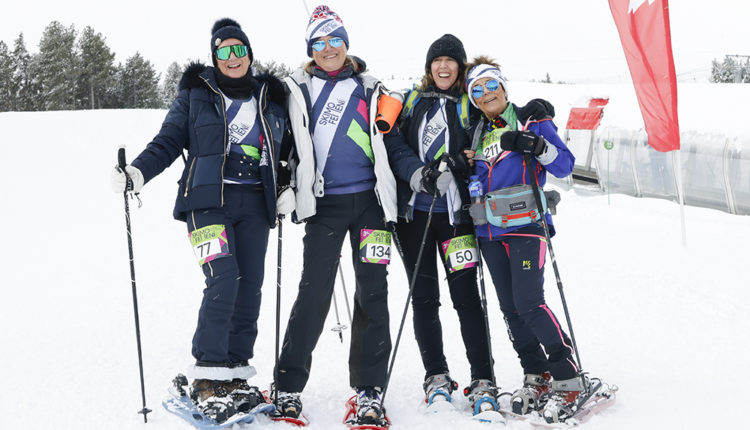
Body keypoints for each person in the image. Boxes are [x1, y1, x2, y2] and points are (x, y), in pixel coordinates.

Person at [110, 18, 293, 423]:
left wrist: (286, 184)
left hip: (255, 204)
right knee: (223, 277)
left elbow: (285, 152)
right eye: (224, 51)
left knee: (250, 286)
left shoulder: (269, 97)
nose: (233, 57)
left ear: (249, 54)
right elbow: (168, 141)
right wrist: (137, 172)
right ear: (214, 56)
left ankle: (236, 373)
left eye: (239, 49)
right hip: (207, 201)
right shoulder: (196, 95)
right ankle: (208, 376)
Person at [272, 5, 429, 427]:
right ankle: (287, 386)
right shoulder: (295, 89)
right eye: (320, 42)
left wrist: (417, 174)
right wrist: (284, 183)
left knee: (373, 292)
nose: (329, 49)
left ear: (346, 43)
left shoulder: (370, 88)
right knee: (313, 293)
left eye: (336, 40)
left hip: (371, 205)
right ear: (311, 48)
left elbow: (392, 143)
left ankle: (368, 390)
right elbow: (283, 142)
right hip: (324, 206)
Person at [395, 35, 556, 413]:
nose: (443, 66)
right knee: (423, 299)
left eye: (451, 60)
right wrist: (420, 173)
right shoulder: (412, 102)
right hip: (415, 217)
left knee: (467, 298)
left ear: (460, 66)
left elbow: (501, 116)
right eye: (437, 60)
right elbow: (393, 146)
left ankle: (482, 377)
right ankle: (436, 374)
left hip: (458, 218)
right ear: (429, 66)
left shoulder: (470, 103)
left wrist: (534, 111)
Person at [463, 56, 580, 424]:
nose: (486, 93)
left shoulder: (531, 119)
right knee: (511, 309)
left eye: (491, 84)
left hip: (527, 225)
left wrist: (535, 144)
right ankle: (536, 373)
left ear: (503, 86)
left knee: (529, 303)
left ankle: (568, 376)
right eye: (477, 90)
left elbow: (564, 165)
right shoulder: (476, 132)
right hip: (489, 231)